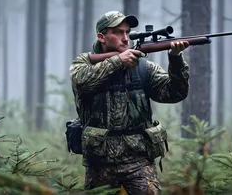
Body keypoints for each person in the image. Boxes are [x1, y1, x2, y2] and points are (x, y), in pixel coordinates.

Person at [69, 11, 191, 195]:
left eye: (127, 32)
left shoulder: (144, 68)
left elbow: (175, 93)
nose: (126, 38)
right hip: (100, 161)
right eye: (118, 32)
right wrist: (118, 61)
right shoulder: (83, 63)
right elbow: (82, 81)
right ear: (101, 36)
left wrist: (175, 59)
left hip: (139, 160)